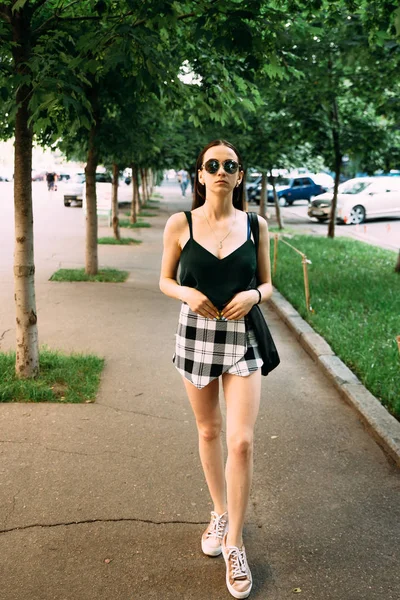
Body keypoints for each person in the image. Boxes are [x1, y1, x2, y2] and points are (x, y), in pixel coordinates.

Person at [160, 140, 273, 599]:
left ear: (240, 175)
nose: (221, 170)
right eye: (213, 165)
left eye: (230, 165)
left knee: (241, 441)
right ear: (200, 175)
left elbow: (267, 283)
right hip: (197, 336)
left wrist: (256, 296)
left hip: (243, 337)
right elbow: (165, 280)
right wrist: (186, 293)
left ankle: (234, 542)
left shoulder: (255, 225)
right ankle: (220, 510)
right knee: (209, 431)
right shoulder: (180, 224)